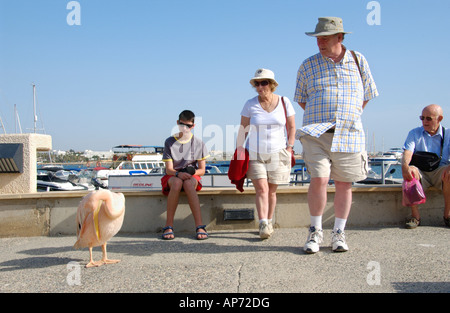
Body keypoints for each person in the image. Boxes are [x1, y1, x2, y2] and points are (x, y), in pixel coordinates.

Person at [294, 17, 378, 253]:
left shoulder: (359, 60)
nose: (320, 42)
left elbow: (367, 93)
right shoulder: (307, 65)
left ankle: (338, 234)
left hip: (349, 133)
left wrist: (348, 115)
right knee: (319, 178)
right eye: (318, 38)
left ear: (340, 38)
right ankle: (315, 232)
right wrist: (324, 116)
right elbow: (301, 99)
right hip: (316, 133)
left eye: (325, 38)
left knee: (343, 184)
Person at [237, 68, 296, 239]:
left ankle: (269, 220)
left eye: (264, 82)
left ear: (271, 84)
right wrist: (239, 149)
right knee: (261, 189)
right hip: (255, 153)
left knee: (271, 191)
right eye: (257, 83)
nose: (260, 86)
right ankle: (262, 223)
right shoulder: (250, 104)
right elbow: (243, 128)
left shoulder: (284, 102)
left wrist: (289, 147)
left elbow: (291, 126)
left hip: (278, 152)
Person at [161, 110, 210, 240]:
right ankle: (168, 225)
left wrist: (190, 173)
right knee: (177, 182)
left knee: (188, 184)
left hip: (190, 176)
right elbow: (168, 169)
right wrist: (178, 174)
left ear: (193, 126)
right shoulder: (169, 142)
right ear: (178, 123)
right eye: (182, 124)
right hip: (174, 176)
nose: (185, 128)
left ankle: (199, 225)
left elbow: (202, 170)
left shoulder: (198, 143)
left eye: (188, 126)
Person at [402, 104, 450, 229]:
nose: (424, 121)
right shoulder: (414, 133)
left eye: (428, 118)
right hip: (421, 172)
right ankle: (415, 216)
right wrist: (405, 165)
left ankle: (448, 215)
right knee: (410, 173)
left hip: (440, 171)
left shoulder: (448, 134)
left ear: (439, 119)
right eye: (422, 118)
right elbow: (408, 152)